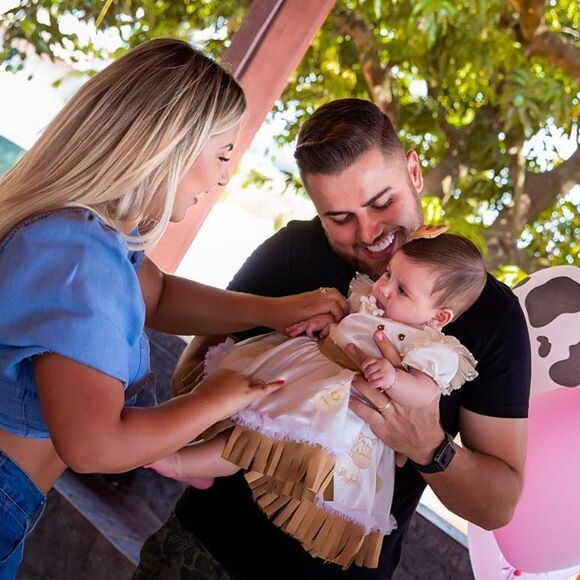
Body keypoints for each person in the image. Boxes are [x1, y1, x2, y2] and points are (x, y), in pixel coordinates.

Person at [134, 98, 531, 580]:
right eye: (339, 218)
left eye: (383, 202)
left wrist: (428, 444)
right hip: (199, 553)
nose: (370, 234)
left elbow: (496, 506)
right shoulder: (294, 249)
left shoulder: (493, 315)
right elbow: (191, 373)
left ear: (414, 171)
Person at [0, 39, 348, 580]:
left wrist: (276, 310)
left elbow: (159, 295)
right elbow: (93, 446)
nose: (225, 177)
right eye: (223, 155)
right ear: (171, 147)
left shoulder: (86, 235)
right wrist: (215, 400)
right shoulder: (79, 258)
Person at [146, 231, 486, 568]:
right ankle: (187, 449)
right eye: (388, 274)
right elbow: (345, 320)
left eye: (401, 290)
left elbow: (425, 391)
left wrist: (396, 379)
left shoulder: (431, 348)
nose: (383, 288)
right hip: (306, 371)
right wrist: (326, 321)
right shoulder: (370, 300)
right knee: (238, 401)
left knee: (258, 441)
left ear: (438, 317)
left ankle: (184, 462)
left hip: (335, 407)